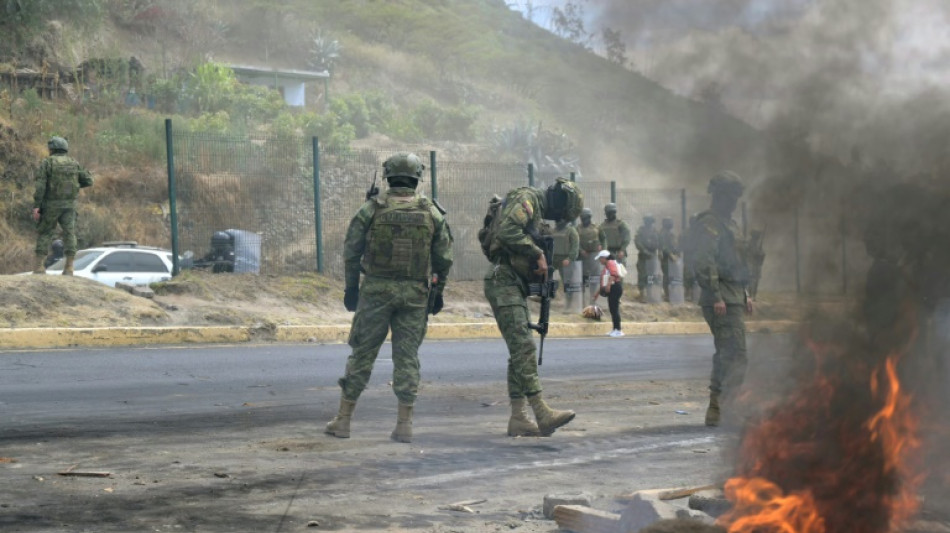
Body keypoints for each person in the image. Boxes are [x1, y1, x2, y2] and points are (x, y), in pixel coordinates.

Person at [325, 152, 454, 443]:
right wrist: (438, 291)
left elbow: (351, 251)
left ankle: (343, 421)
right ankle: (404, 425)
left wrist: (351, 289)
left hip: (376, 292)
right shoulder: (431, 212)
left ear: (389, 176)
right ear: (417, 177)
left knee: (362, 353)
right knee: (407, 357)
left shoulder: (371, 209)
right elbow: (444, 258)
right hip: (415, 294)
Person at [484, 177, 583, 437]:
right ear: (559, 204)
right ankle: (541, 412)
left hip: (513, 283)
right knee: (524, 347)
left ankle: (518, 418)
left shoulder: (536, 211)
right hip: (502, 281)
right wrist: (537, 254)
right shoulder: (527, 200)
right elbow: (507, 232)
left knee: (520, 349)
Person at [689, 171, 753, 427]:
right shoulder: (710, 223)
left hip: (733, 294)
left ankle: (721, 407)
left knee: (729, 353)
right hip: (721, 297)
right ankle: (725, 407)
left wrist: (746, 293)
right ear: (719, 196)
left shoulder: (730, 224)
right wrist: (716, 295)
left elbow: (736, 262)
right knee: (734, 353)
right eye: (730, 196)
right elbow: (706, 261)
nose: (734, 202)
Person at [32, 136, 93, 275]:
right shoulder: (74, 163)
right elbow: (89, 180)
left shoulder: (48, 163)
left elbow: (41, 185)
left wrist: (37, 206)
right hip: (69, 206)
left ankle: (39, 267)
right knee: (69, 233)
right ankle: (69, 267)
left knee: (45, 233)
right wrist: (76, 186)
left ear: (52, 148)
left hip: (51, 205)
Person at [576, 207, 607, 303]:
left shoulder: (596, 227)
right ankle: (582, 301)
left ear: (589, 217)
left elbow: (603, 238)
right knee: (583, 279)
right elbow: (575, 242)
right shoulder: (578, 228)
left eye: (585, 217)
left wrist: (603, 249)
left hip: (595, 256)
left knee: (594, 278)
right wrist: (581, 250)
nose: (584, 220)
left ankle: (593, 300)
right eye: (582, 218)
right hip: (583, 257)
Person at [594, 250, 624, 337]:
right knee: (612, 309)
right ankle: (614, 329)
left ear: (604, 258)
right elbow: (604, 281)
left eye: (600, 259)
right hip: (612, 288)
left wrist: (608, 285)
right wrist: (597, 293)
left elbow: (613, 275)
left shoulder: (610, 263)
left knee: (614, 309)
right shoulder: (607, 265)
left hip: (615, 287)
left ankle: (618, 330)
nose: (600, 261)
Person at [551, 218, 579, 310]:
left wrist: (570, 258)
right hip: (554, 258)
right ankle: (548, 296)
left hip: (565, 259)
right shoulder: (553, 230)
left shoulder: (571, 231)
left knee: (568, 283)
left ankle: (569, 304)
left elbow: (575, 246)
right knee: (546, 276)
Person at [633, 214, 659, 302]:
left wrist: (652, 249)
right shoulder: (641, 231)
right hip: (643, 256)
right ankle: (642, 294)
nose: (648, 223)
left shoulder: (655, 231)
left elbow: (658, 242)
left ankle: (650, 294)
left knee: (651, 276)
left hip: (652, 256)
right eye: (647, 221)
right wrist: (644, 250)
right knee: (642, 275)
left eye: (650, 221)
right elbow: (637, 242)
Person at [658, 217, 679, 301]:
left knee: (672, 275)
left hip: (672, 257)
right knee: (667, 276)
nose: (671, 224)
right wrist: (671, 255)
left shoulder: (670, 232)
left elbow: (675, 244)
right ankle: (667, 294)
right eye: (669, 222)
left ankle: (671, 293)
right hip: (667, 258)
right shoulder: (663, 233)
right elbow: (664, 247)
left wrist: (677, 254)